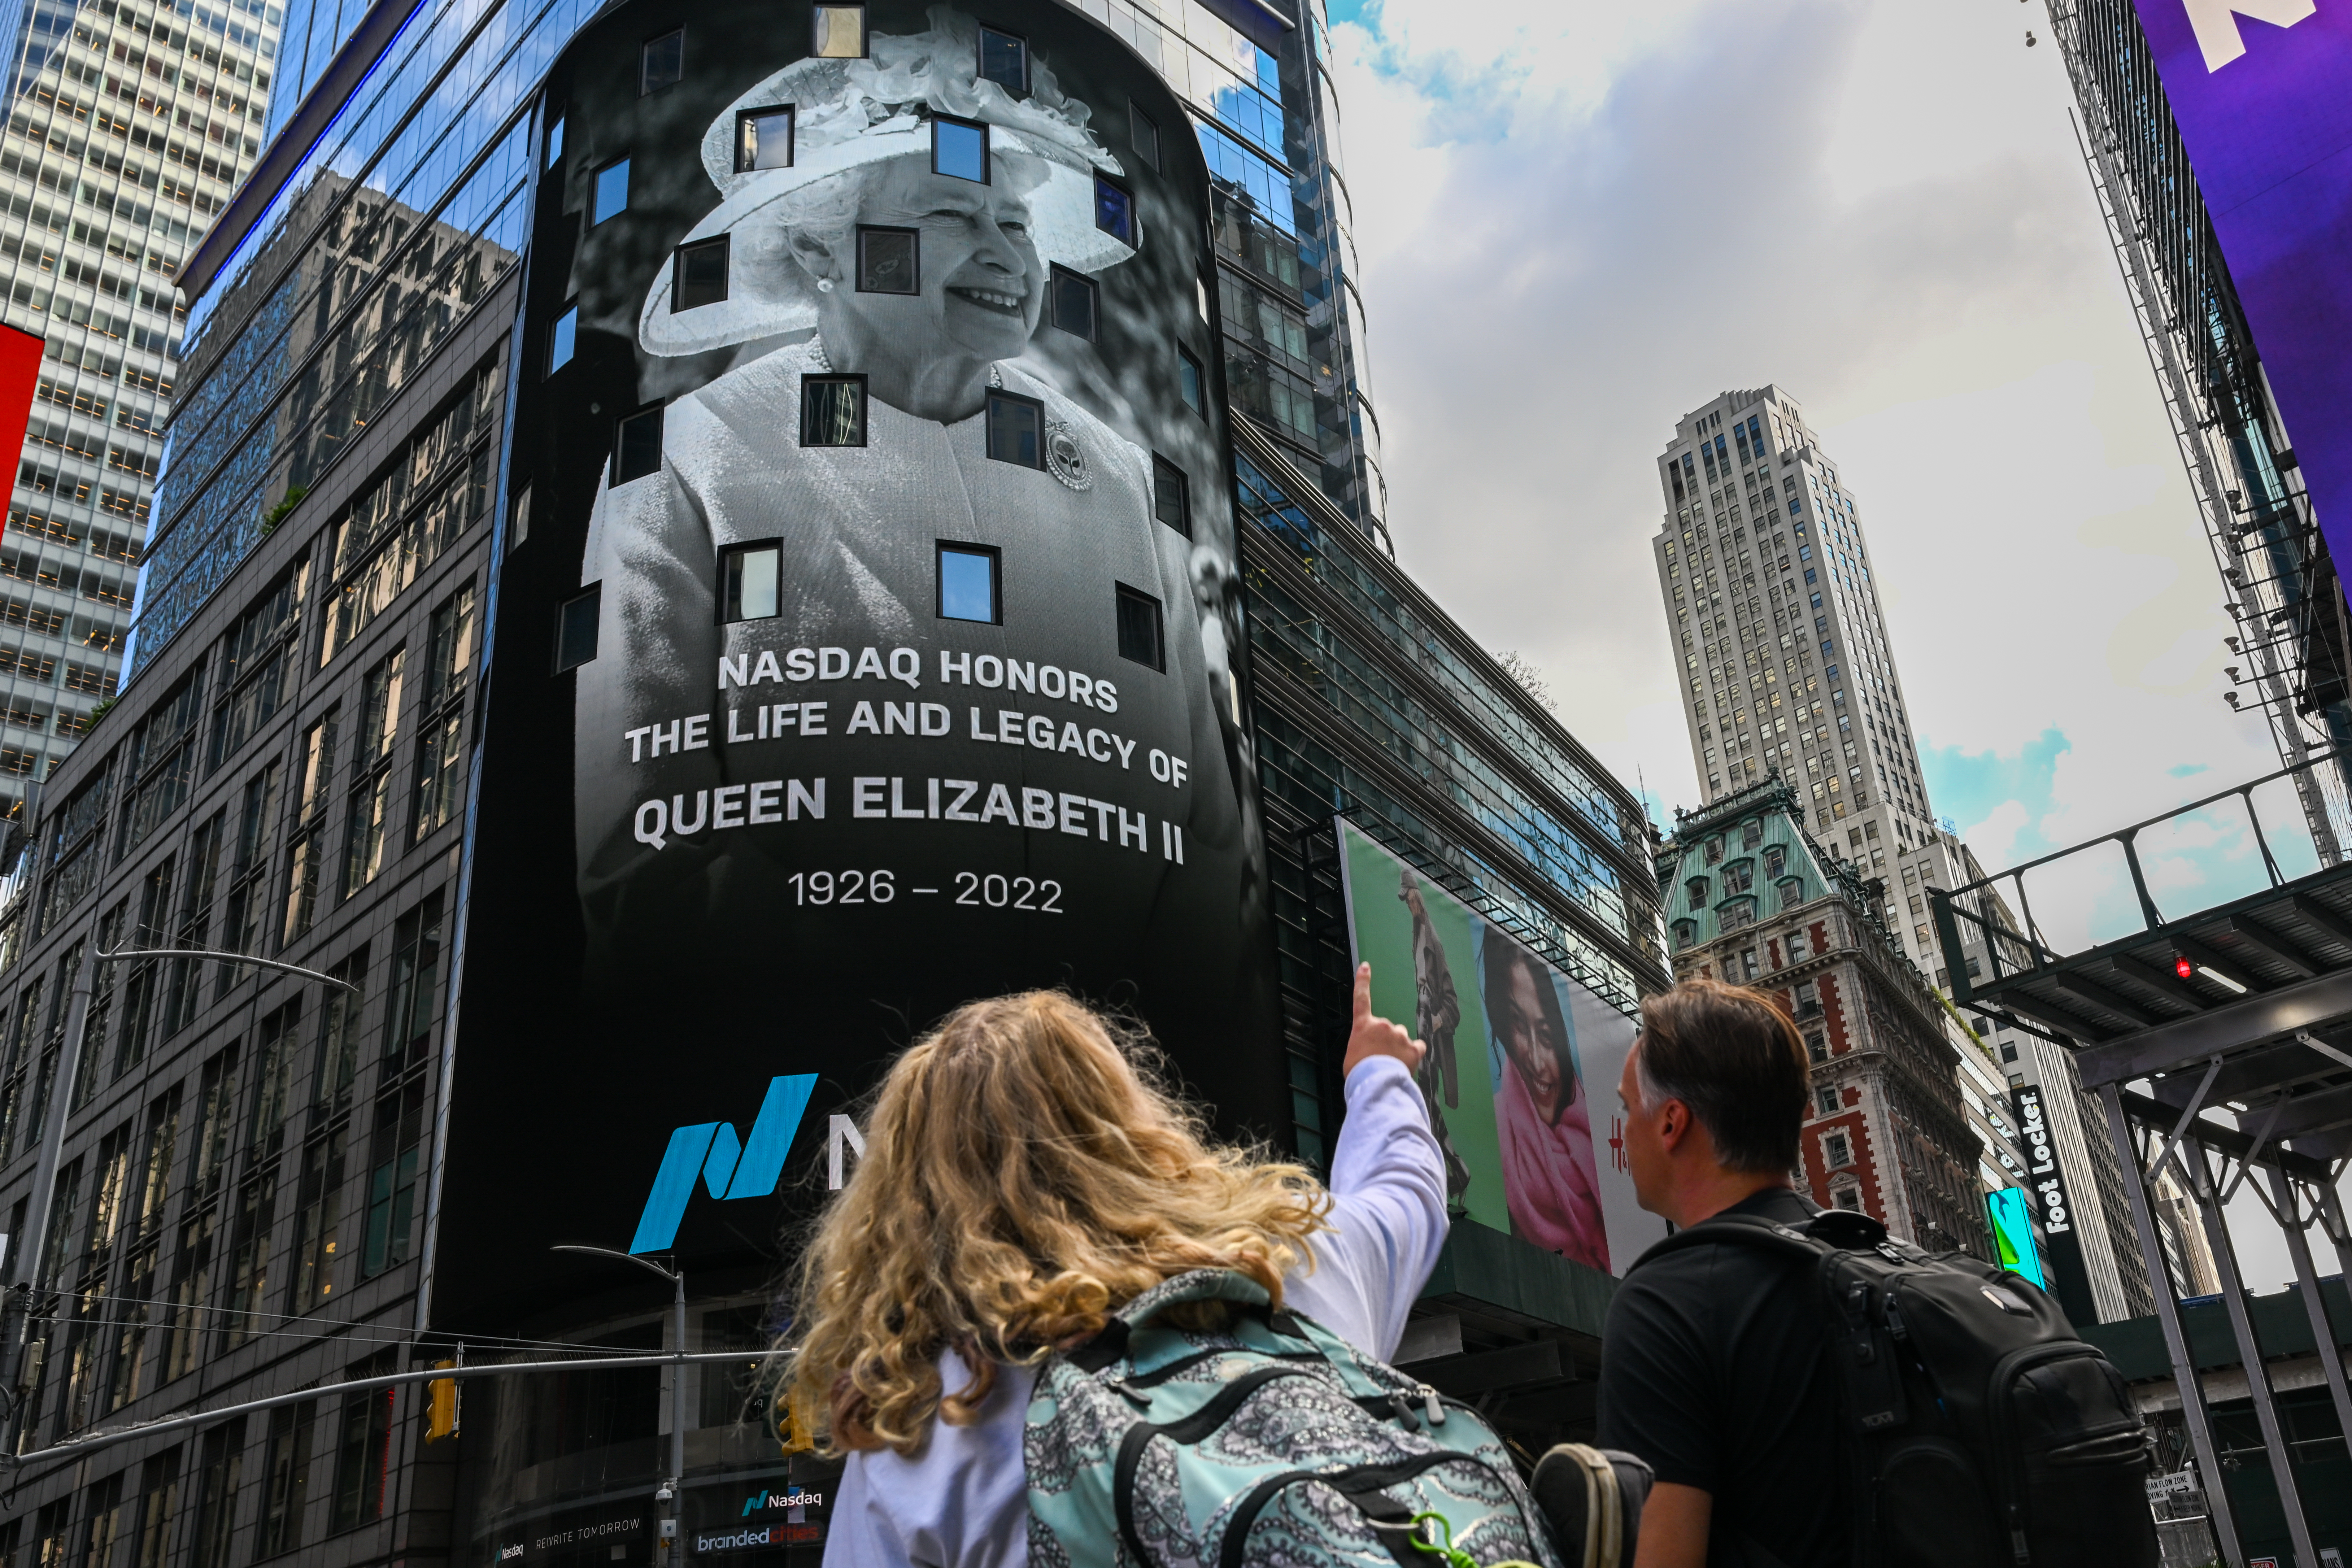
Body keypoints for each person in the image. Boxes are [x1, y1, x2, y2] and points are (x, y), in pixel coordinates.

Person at [783, 965, 1446, 1565]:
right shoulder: (1290, 1261)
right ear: (1130, 1116)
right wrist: (1377, 1071)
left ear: (912, 1197)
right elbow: (1406, 1189)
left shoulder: (924, 1419)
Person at [1595, 977, 1839, 1568]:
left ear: (1671, 1121)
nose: (1623, 1130)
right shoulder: (1879, 1261)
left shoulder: (1665, 1305)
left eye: (1628, 1107)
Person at [1481, 936, 1608, 1270]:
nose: (1536, 1060)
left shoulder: (1604, 1139)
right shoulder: (1493, 1135)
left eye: (1547, 1035)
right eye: (1519, 1027)